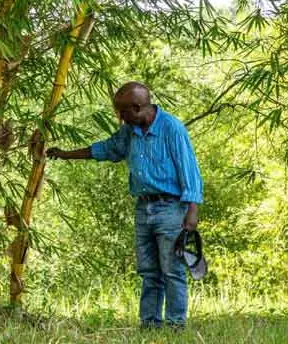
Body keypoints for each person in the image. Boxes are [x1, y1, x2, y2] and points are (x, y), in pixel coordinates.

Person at [46, 81, 203, 329]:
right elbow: (106, 149)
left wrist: (192, 211)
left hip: (171, 208)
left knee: (171, 270)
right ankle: (150, 324)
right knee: (149, 271)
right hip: (143, 207)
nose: (120, 118)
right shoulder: (130, 131)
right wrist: (65, 154)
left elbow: (189, 170)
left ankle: (175, 326)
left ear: (138, 107)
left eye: (123, 113)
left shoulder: (172, 128)